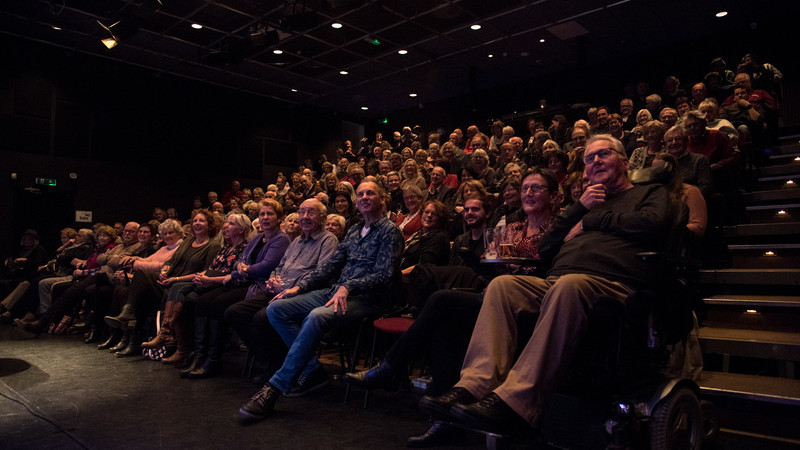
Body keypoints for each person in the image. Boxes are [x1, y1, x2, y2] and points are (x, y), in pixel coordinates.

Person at [420, 134, 672, 435]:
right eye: (589, 158)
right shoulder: (585, 205)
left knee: (568, 285)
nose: (595, 161)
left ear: (625, 161)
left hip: (614, 283)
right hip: (558, 281)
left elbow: (653, 224)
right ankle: (475, 386)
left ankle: (517, 403)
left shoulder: (649, 192)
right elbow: (548, 246)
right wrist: (579, 209)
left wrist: (593, 221)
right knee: (503, 286)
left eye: (603, 154)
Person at [237, 180, 404, 422]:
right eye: (361, 194)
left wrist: (349, 285)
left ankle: (275, 387)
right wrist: (298, 287)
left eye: (371, 193)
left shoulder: (390, 231)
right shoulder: (356, 229)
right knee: (276, 308)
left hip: (369, 299)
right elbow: (331, 266)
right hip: (337, 291)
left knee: (316, 316)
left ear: (382, 200)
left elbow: (385, 275)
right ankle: (313, 369)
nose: (365, 197)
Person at [225, 199, 338, 380]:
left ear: (323, 218)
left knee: (262, 317)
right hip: (277, 290)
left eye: (311, 213)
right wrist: (272, 279)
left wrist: (286, 286)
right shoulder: (296, 242)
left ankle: (277, 366)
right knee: (235, 312)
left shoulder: (328, 240)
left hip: (302, 293)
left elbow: (322, 274)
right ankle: (273, 360)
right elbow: (280, 266)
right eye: (302, 212)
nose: (305, 217)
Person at [663, 125, 714, 199]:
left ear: (686, 141)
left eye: (678, 139)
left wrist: (683, 200)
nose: (674, 143)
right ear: (666, 144)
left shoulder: (700, 160)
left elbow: (705, 189)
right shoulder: (663, 162)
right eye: (670, 140)